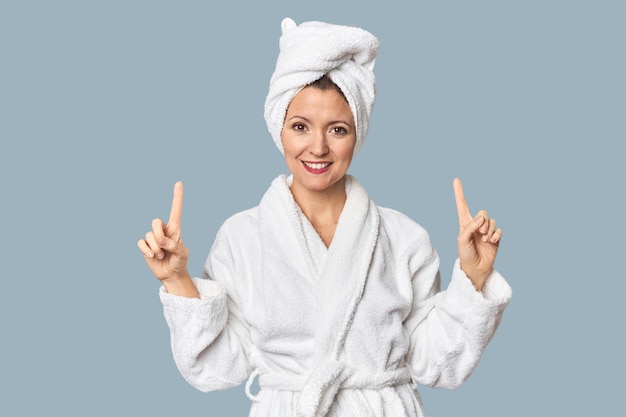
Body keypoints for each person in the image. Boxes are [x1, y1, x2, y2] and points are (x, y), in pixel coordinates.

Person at [137, 17, 512, 417]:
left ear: (358, 135)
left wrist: (474, 277)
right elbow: (215, 366)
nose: (317, 147)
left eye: (337, 129)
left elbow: (438, 363)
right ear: (278, 129)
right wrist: (177, 279)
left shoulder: (405, 238)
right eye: (300, 126)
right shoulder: (242, 237)